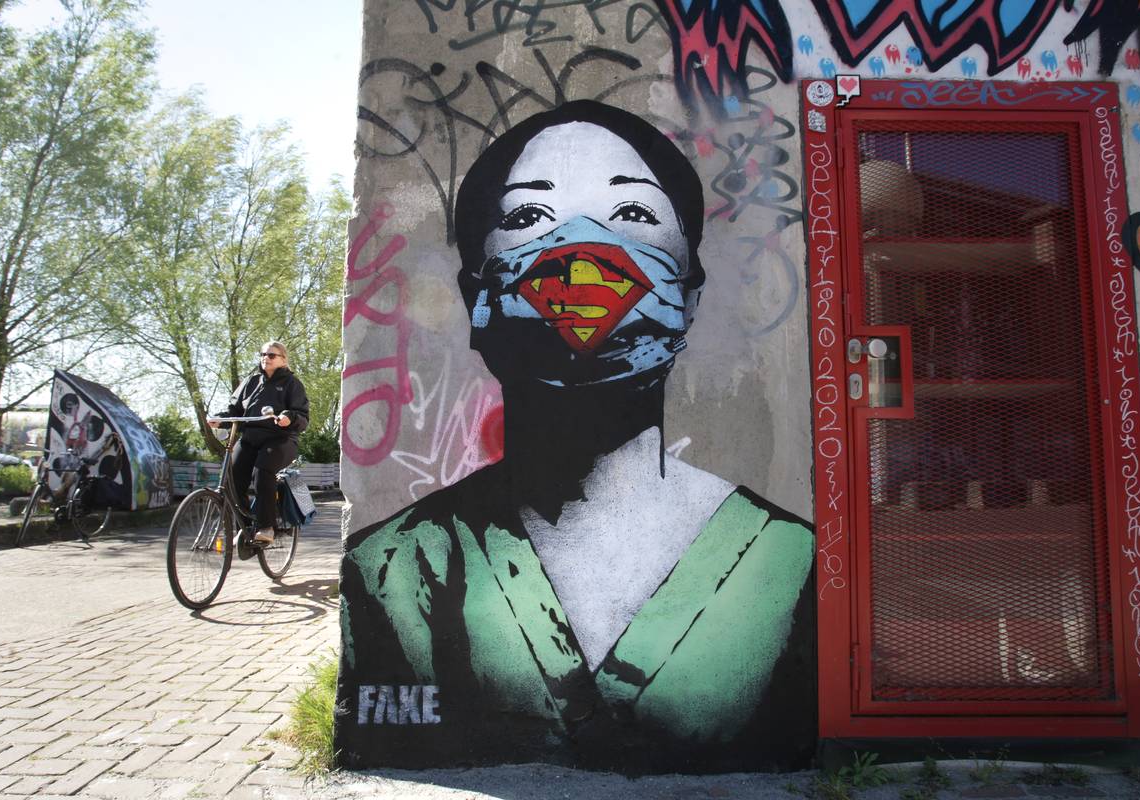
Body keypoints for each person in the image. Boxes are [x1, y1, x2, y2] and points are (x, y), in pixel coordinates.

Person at [335, 101, 816, 773]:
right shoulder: (389, 571)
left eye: (635, 213)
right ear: (476, 297)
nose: (582, 253)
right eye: (528, 217)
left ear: (691, 296)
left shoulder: (794, 566)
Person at [211, 341, 309, 544]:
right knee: (232, 477)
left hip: (280, 439)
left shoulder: (292, 384)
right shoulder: (251, 382)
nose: (266, 358)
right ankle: (244, 528)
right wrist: (219, 419)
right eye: (263, 354)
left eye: (271, 355)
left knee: (263, 471)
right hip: (250, 438)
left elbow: (302, 416)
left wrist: (289, 417)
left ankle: (267, 527)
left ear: (283, 360)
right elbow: (234, 410)